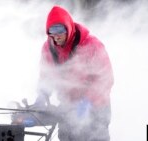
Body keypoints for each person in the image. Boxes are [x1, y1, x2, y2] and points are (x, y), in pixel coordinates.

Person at [33, 5, 114, 141]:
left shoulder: (91, 45)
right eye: (51, 31)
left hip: (96, 107)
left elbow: (105, 79)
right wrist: (42, 94)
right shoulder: (48, 48)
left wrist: (87, 101)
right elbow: (46, 76)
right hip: (67, 107)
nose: (56, 36)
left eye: (60, 30)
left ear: (68, 28)